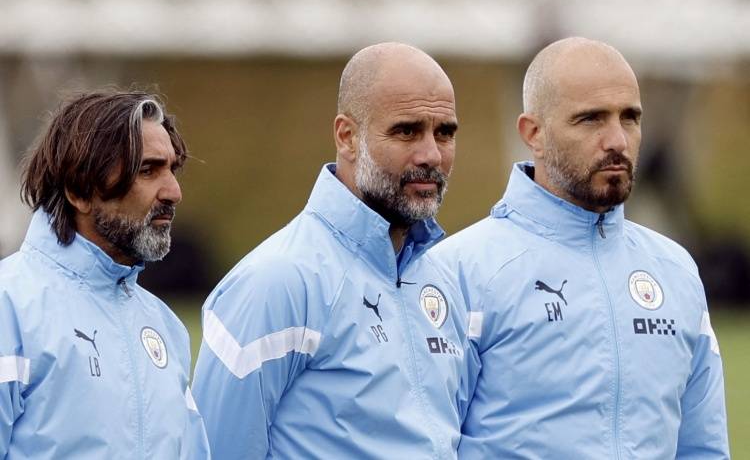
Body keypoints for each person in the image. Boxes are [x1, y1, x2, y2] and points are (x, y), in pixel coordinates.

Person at [431, 38, 729, 458]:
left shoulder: (675, 270)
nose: (617, 140)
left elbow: (703, 448)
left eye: (630, 118)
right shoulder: (456, 272)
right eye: (591, 119)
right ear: (533, 133)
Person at [192, 43, 471, 459]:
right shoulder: (277, 281)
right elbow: (215, 450)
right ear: (347, 137)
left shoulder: (442, 281)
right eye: (406, 131)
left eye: (444, 133)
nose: (431, 154)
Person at [0, 90, 210, 459]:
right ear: (79, 191)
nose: (173, 192)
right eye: (148, 170)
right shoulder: (10, 305)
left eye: (172, 170)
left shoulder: (166, 326)